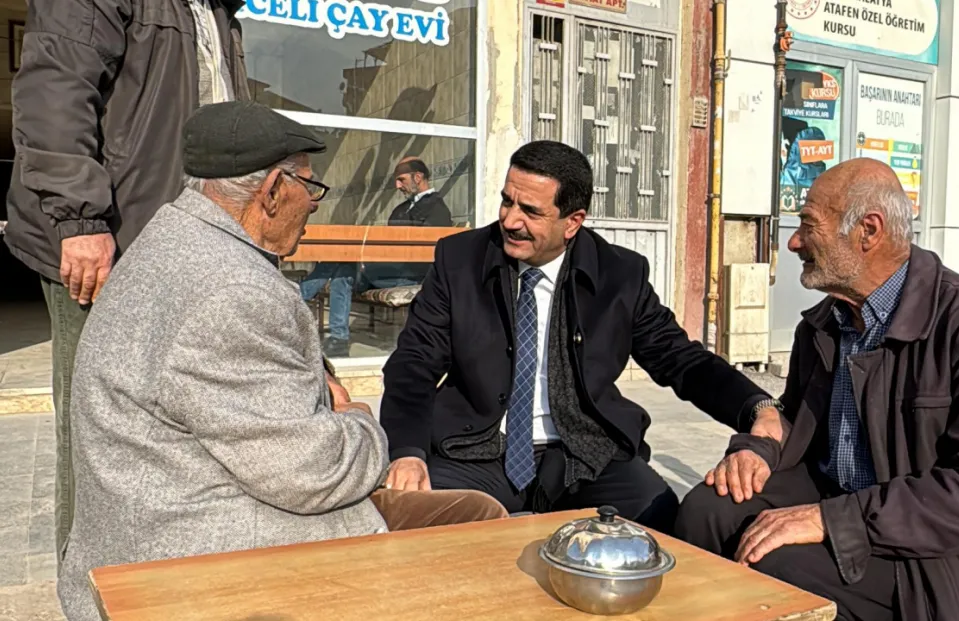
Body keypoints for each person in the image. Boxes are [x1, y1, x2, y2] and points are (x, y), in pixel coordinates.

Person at [58, 102, 507, 621]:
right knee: (472, 530)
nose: (314, 204)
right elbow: (313, 476)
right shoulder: (233, 290)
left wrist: (321, 388)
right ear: (272, 190)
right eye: (310, 188)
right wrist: (360, 422)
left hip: (157, 508)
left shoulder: (167, 239)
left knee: (473, 509)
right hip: (194, 544)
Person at [675, 158, 959, 621]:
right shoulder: (823, 324)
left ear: (868, 231)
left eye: (808, 225)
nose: (794, 242)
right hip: (849, 505)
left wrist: (832, 521)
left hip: (952, 558)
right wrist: (756, 450)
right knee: (705, 511)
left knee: (772, 563)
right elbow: (796, 423)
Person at [379, 140, 776, 534]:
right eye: (507, 201)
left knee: (655, 516)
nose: (511, 220)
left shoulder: (619, 276)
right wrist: (407, 452)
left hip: (582, 451)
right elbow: (414, 362)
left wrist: (755, 406)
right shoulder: (460, 260)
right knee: (414, 519)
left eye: (531, 211)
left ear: (573, 221)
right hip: (475, 448)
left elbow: (681, 359)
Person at [3, 0, 252, 562]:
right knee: (100, 435)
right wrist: (80, 219)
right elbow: (55, 91)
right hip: (110, 248)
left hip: (186, 248)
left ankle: (160, 574)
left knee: (175, 428)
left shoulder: (218, 14)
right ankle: (90, 587)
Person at [300, 157, 453, 358]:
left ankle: (300, 296)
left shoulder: (436, 208)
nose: (398, 186)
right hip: (388, 269)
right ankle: (338, 338)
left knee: (342, 260)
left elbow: (427, 250)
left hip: (409, 274)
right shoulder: (400, 209)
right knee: (343, 269)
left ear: (418, 177)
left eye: (402, 180)